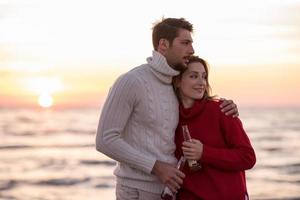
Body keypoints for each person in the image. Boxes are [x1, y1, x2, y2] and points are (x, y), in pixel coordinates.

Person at [95, 18, 239, 200]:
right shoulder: (131, 81)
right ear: (163, 44)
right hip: (136, 191)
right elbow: (105, 140)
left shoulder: (175, 83)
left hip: (170, 191)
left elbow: (198, 105)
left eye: (192, 43)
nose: (192, 50)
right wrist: (156, 167)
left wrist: (226, 106)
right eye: (185, 43)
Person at [173, 56, 256, 200]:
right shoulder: (169, 117)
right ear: (178, 81)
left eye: (204, 77)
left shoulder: (222, 110)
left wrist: (204, 153)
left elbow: (247, 157)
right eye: (194, 76)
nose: (201, 83)